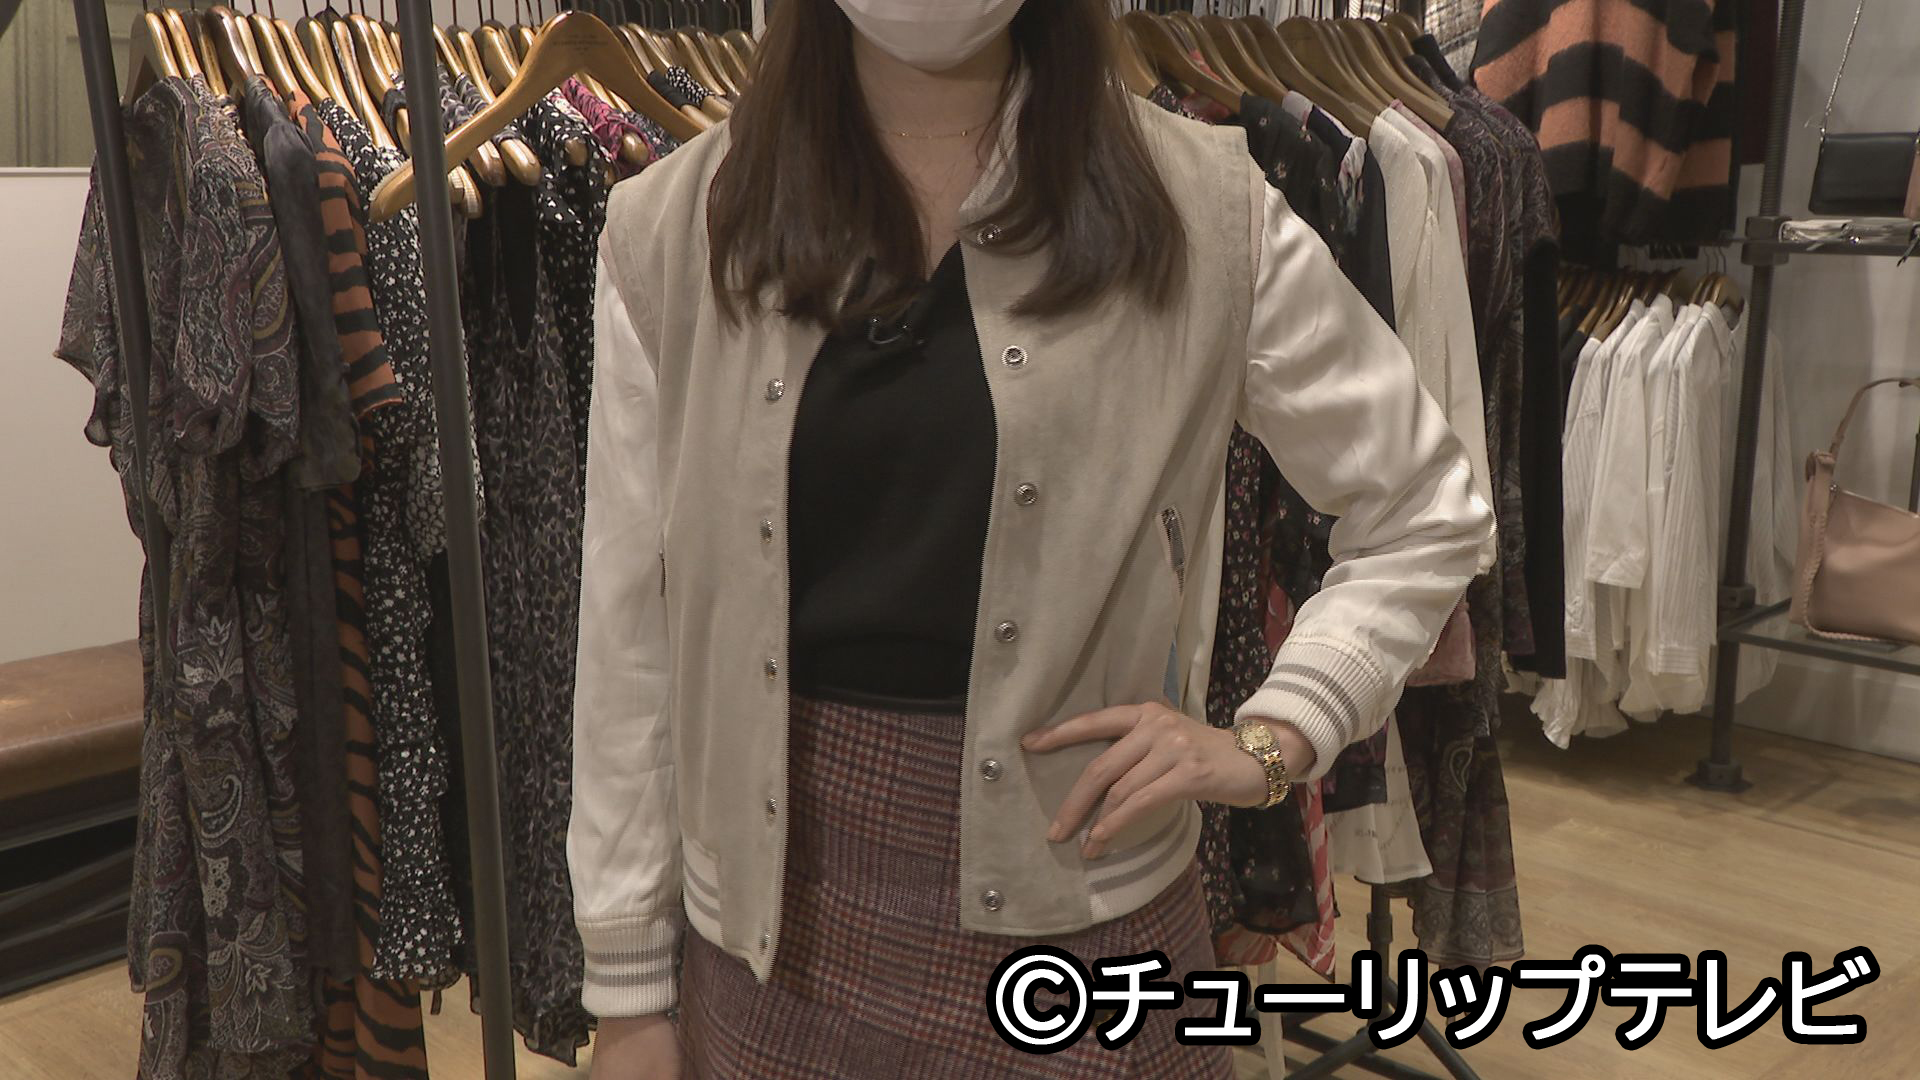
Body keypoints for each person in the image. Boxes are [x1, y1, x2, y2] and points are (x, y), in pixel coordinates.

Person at [569, 1, 1494, 1076]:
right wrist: (628, 994)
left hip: (1092, 929)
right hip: (769, 957)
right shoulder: (677, 226)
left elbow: (1425, 504)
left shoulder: (1198, 207)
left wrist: (1278, 734)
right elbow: (631, 639)